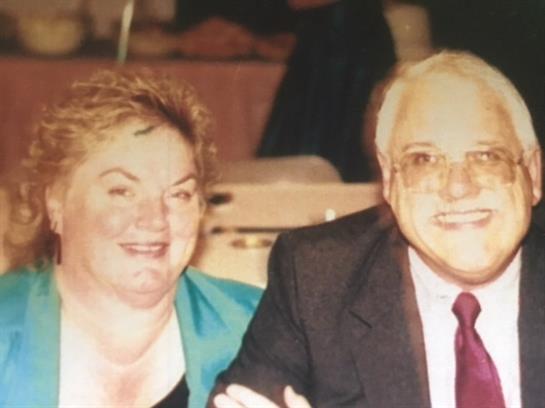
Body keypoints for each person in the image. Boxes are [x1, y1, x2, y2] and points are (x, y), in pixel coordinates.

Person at [210, 51, 544, 407]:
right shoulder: (318, 278)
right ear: (388, 179)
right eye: (424, 160)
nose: (458, 187)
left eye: (486, 156)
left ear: (533, 172)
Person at [0, 69, 262, 407]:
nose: (154, 219)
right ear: (56, 204)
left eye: (178, 194)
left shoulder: (257, 329)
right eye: (122, 191)